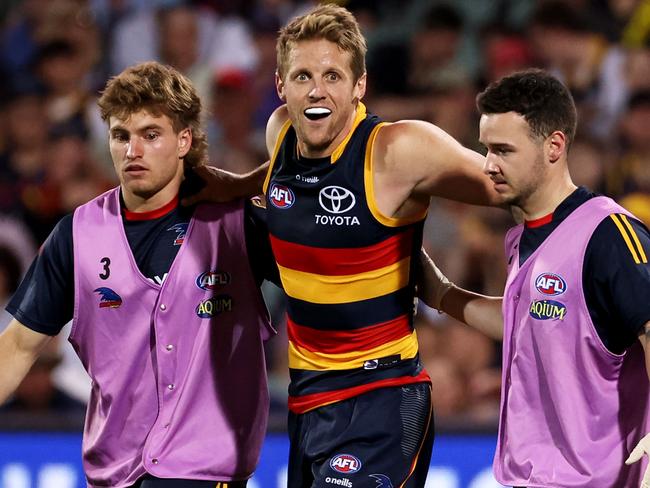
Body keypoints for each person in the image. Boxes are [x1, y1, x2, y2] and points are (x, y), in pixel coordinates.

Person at [185, 4, 502, 487]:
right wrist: (231, 188)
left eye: (333, 75)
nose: (316, 90)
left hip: (384, 397)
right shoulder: (281, 134)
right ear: (280, 85)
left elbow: (507, 184)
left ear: (359, 86)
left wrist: (578, 230)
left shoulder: (400, 151)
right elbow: (280, 182)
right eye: (303, 76)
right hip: (309, 402)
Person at [0, 61, 278, 488]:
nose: (133, 151)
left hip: (204, 470)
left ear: (184, 140)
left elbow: (322, 284)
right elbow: (18, 345)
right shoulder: (77, 234)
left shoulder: (237, 222)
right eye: (120, 136)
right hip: (115, 472)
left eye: (151, 135)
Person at [419, 68, 650, 488]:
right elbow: (526, 323)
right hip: (528, 477)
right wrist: (441, 294)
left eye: (504, 150)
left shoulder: (608, 233)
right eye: (486, 148)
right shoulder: (523, 237)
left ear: (554, 146)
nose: (488, 165)